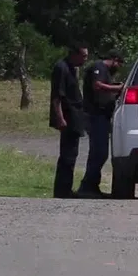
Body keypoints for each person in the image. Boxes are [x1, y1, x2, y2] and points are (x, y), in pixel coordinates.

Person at [77, 49, 125, 198]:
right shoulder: (99, 67)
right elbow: (97, 85)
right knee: (98, 152)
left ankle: (92, 185)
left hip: (102, 116)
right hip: (95, 115)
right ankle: (87, 186)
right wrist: (118, 88)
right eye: (119, 64)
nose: (118, 67)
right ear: (114, 59)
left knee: (100, 153)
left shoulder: (106, 72)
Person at [49, 43, 89, 199]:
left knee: (72, 154)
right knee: (67, 155)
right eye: (83, 56)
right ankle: (61, 190)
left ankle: (66, 188)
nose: (85, 59)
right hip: (67, 116)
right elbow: (57, 96)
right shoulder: (61, 68)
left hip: (76, 116)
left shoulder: (73, 69)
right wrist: (60, 118)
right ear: (74, 54)